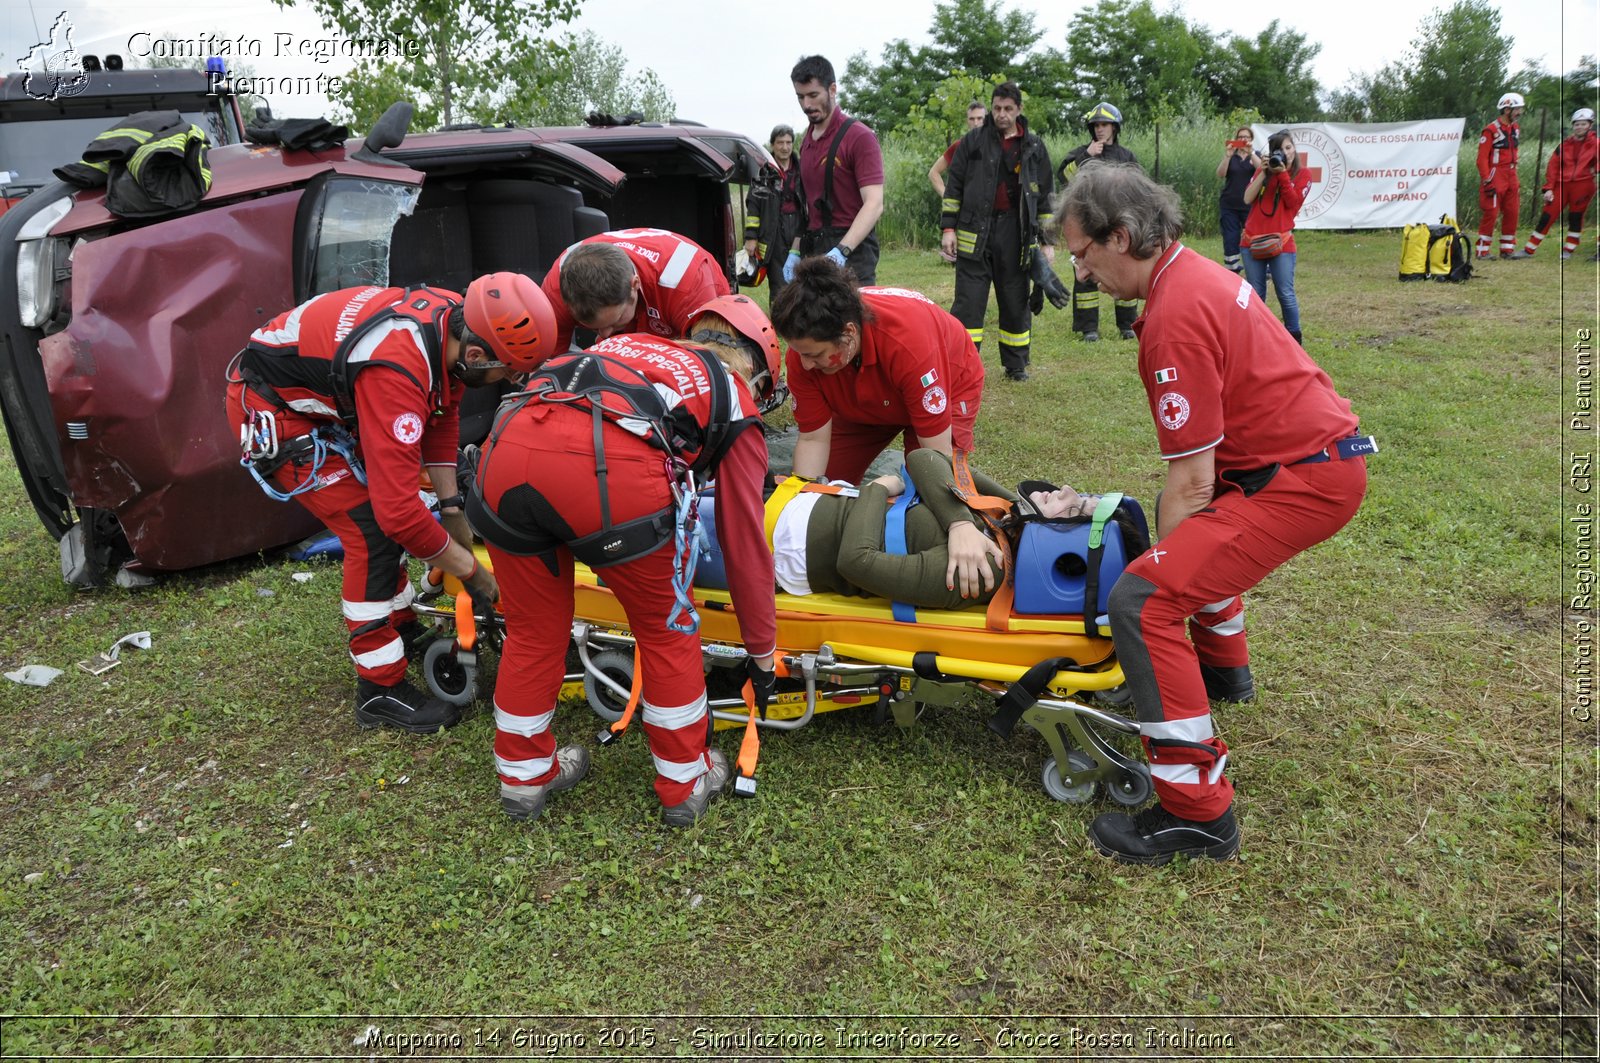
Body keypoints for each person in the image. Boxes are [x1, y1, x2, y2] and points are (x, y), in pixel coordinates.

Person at [1056, 163, 1371, 866]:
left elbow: (1192, 486)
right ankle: (1224, 673)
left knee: (1143, 597)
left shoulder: (1172, 315)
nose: (1080, 272)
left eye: (1083, 254)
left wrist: (1173, 570)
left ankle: (1195, 811)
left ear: (1124, 235)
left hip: (1302, 477)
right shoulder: (1188, 273)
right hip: (1307, 461)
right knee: (1196, 540)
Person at [470, 294, 781, 827]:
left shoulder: (624, 342)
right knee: (667, 628)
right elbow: (743, 537)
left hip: (505, 453)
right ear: (756, 371)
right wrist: (763, 652)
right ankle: (685, 782)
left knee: (532, 631)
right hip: (604, 482)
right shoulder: (733, 399)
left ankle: (523, 778)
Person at [227, 275, 551, 733]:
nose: (514, 380)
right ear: (477, 355)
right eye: (513, 370)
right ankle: (378, 689)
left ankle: (398, 624)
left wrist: (452, 507)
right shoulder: (397, 369)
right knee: (373, 530)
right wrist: (473, 573)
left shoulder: (456, 323)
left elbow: (442, 412)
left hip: (328, 396)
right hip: (277, 412)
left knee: (403, 515)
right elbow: (396, 512)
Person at [771, 257, 985, 488]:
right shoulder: (804, 352)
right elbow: (813, 439)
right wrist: (804, 503)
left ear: (848, 333)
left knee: (926, 486)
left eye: (815, 355)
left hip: (945, 381)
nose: (805, 365)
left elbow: (936, 455)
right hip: (868, 394)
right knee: (827, 486)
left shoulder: (909, 343)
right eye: (800, 353)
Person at [940, 82, 1056, 382]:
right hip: (973, 231)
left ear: (1018, 110)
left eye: (1008, 109)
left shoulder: (1034, 146)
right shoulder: (973, 141)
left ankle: (1016, 364)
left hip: (1015, 234)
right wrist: (948, 228)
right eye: (997, 108)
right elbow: (953, 187)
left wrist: (1047, 242)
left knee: (1014, 298)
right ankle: (961, 364)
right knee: (968, 302)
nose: (1001, 115)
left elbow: (1044, 197)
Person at [783, 55, 886, 285]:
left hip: (852, 253)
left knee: (851, 320)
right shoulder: (807, 140)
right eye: (800, 97)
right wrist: (795, 251)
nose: (806, 105)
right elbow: (808, 206)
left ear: (832, 89)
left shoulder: (859, 137)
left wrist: (842, 251)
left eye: (813, 95)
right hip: (815, 247)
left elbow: (874, 204)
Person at [541, 228, 729, 353]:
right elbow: (547, 364)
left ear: (634, 285)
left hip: (684, 308)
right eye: (595, 326)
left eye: (614, 322)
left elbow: (710, 367)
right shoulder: (560, 285)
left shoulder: (684, 283)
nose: (604, 334)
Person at [1058, 102, 1141, 342]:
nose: (1099, 129)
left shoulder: (1126, 156)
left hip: (1118, 223)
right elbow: (1064, 176)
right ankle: (1088, 329)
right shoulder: (1083, 152)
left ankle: (1128, 325)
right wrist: (1087, 156)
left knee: (1125, 271)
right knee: (1086, 274)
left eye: (1104, 124)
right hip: (1089, 223)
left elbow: (1136, 186)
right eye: (1095, 125)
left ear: (1115, 127)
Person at [1240, 129, 1312, 345]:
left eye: (1288, 148)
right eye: (1279, 150)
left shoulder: (1303, 174)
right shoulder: (1264, 170)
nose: (1285, 153)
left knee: (1285, 292)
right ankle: (1256, 338)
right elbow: (1247, 198)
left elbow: (1293, 203)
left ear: (1294, 149)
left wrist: (1281, 173)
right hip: (1251, 240)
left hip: (1282, 242)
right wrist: (1263, 172)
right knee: (1256, 295)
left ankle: (1294, 339)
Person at [1522, 108, 1598, 260]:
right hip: (1561, 185)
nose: (1580, 127)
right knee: (1548, 215)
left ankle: (1569, 249)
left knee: (1575, 217)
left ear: (1590, 125)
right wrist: (1548, 188)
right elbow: (1553, 167)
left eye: (1583, 124)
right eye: (1577, 124)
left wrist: (1595, 171)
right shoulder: (1564, 145)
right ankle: (1529, 249)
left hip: (1583, 185)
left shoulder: (1596, 144)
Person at [744, 124, 802, 299]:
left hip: (800, 230)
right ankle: (779, 322)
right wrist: (751, 237)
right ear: (772, 145)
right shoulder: (764, 173)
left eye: (788, 142)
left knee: (802, 280)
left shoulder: (803, 169)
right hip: (773, 232)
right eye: (780, 143)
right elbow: (753, 205)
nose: (785, 147)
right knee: (778, 281)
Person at [1476, 92, 1526, 259]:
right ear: (1507, 109)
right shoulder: (1490, 130)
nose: (1519, 112)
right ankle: (1482, 250)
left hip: (1512, 173)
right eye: (1517, 109)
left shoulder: (1515, 128)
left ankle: (1507, 249)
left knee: (1513, 211)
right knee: (1492, 212)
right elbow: (1481, 159)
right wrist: (1487, 180)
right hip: (1496, 173)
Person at [928, 101, 988, 199]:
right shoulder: (960, 146)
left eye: (980, 118)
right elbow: (933, 173)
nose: (976, 123)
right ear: (967, 121)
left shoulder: (997, 145)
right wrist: (948, 198)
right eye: (972, 119)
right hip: (967, 209)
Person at [1216, 125, 1255, 274]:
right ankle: (1232, 268)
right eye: (1240, 137)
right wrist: (1227, 155)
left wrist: (1251, 153)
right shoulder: (1231, 156)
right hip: (1229, 204)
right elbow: (1220, 174)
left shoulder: (1255, 155)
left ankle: (1259, 266)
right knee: (1230, 236)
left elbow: (1262, 170)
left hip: (1249, 204)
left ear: (1251, 140)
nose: (1243, 139)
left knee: (1252, 236)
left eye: (1246, 137)